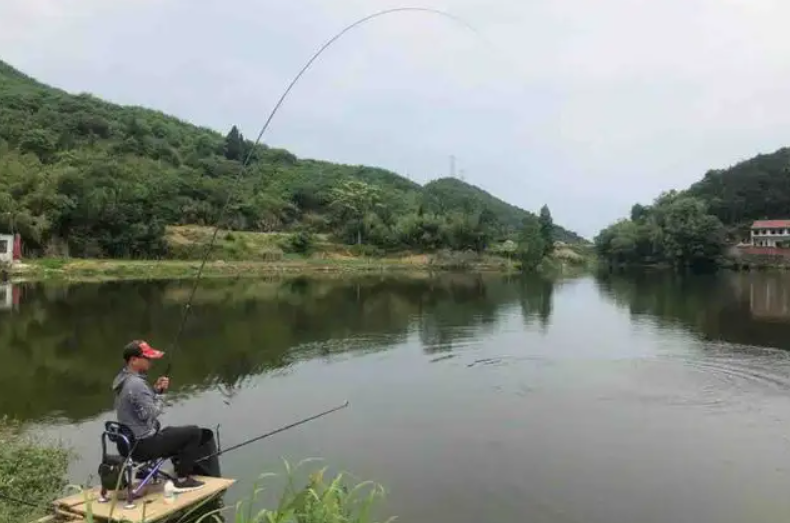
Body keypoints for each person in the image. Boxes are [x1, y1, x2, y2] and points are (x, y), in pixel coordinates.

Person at [111, 340, 207, 492]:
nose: (150, 361)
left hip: (126, 444)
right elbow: (151, 414)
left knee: (170, 431)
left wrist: (155, 390)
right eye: (147, 358)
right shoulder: (136, 384)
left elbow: (138, 405)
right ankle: (183, 479)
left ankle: (147, 470)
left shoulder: (122, 379)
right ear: (134, 360)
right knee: (194, 432)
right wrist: (161, 395)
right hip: (143, 446)